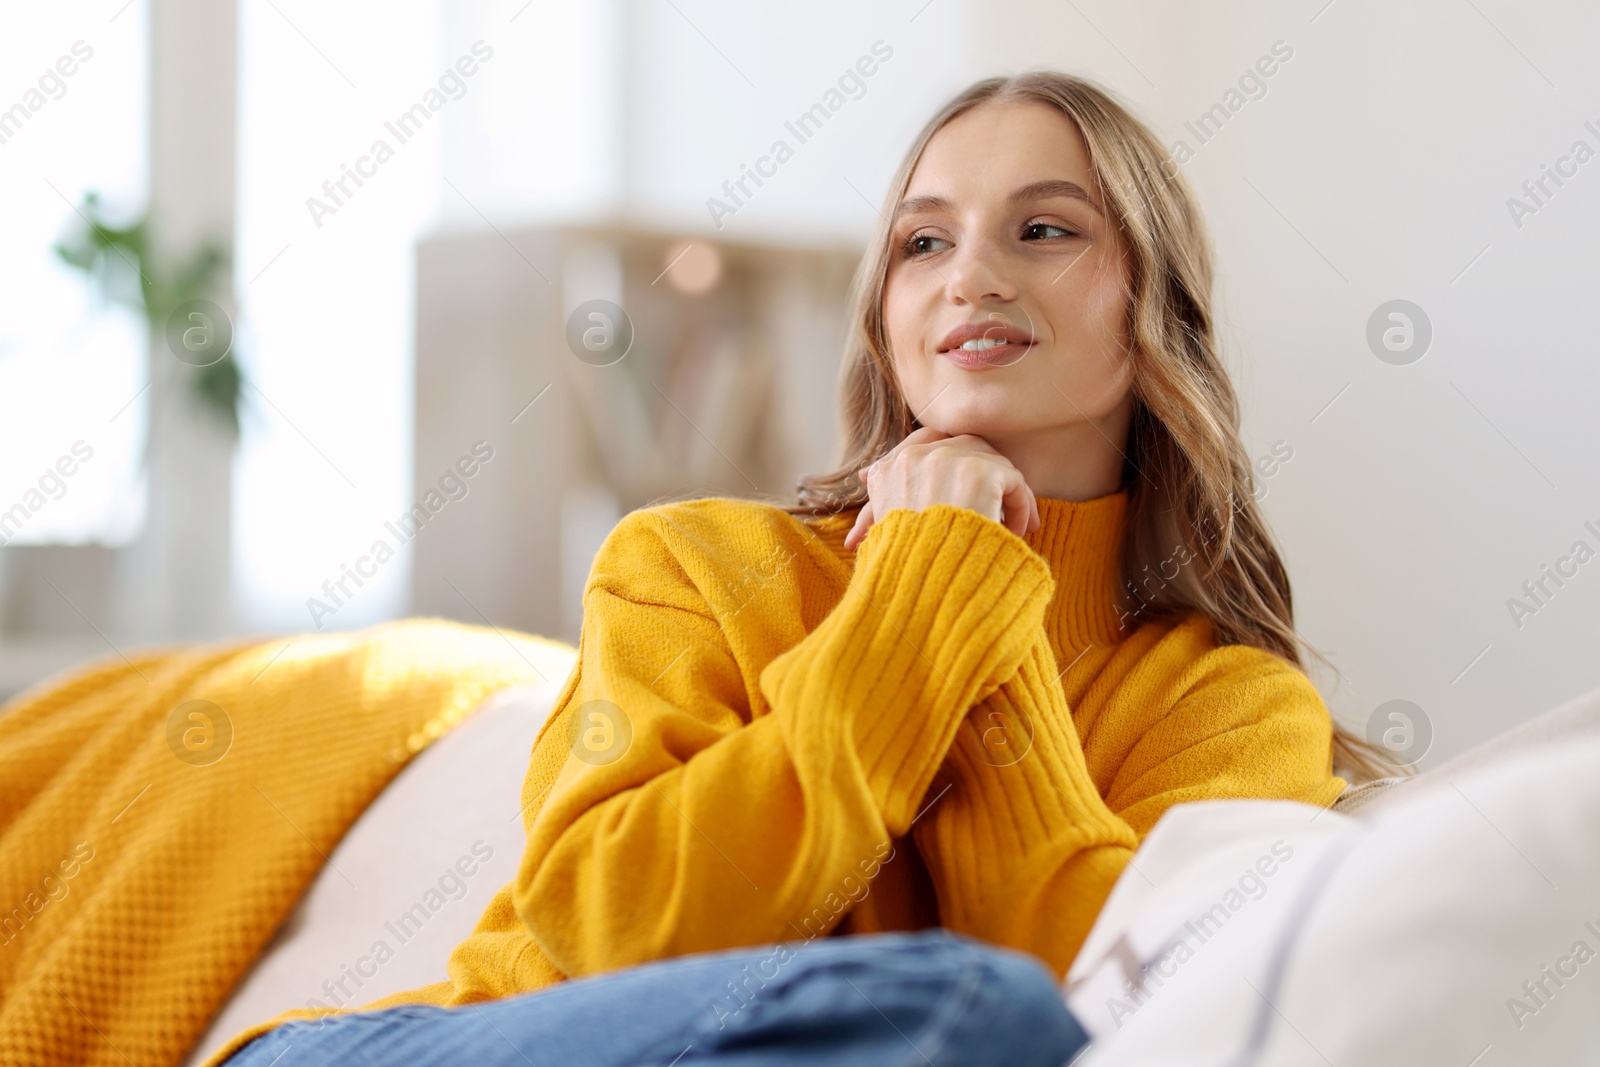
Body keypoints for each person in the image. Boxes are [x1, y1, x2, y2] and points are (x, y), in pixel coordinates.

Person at [218, 69, 1399, 1067]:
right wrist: (926, 589)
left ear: (1156, 304)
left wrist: (961, 594)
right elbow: (611, 922)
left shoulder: (1227, 707)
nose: (969, 274)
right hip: (464, 1039)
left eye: (1044, 228)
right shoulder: (692, 561)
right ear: (885, 317)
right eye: (922, 241)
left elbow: (1115, 1018)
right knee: (961, 1008)